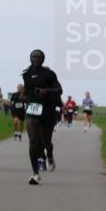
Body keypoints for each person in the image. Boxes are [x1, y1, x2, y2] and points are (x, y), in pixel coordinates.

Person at [22, 49, 62, 184]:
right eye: (34, 56)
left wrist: (46, 91)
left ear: (43, 59)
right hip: (33, 110)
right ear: (30, 58)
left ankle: (49, 155)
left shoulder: (49, 74)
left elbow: (59, 90)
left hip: (47, 109)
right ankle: (35, 174)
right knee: (33, 140)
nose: (36, 59)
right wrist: (25, 96)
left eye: (39, 57)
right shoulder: (26, 74)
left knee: (46, 141)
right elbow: (27, 90)